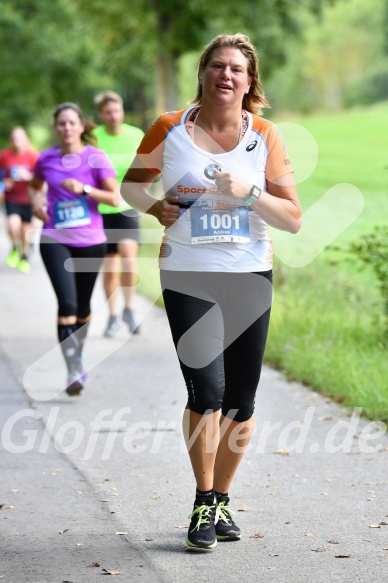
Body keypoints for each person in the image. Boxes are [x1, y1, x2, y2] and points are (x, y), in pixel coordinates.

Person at [121, 33, 302, 549]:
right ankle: (203, 501)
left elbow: (292, 220)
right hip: (188, 274)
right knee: (208, 391)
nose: (227, 75)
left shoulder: (265, 135)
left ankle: (222, 497)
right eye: (218, 66)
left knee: (242, 400)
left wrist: (250, 193)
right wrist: (154, 207)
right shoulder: (168, 127)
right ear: (202, 72)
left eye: (237, 70)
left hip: (248, 275)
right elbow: (132, 185)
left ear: (250, 82)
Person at [29, 102, 118, 396]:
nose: (66, 128)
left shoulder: (96, 158)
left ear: (81, 126)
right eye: (61, 123)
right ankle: (72, 369)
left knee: (82, 308)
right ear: (56, 128)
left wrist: (86, 190)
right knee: (66, 304)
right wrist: (37, 202)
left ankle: (78, 355)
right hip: (55, 239)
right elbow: (34, 185)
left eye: (71, 123)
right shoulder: (46, 158)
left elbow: (115, 199)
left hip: (90, 242)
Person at [93, 91, 145, 337]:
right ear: (101, 114)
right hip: (100, 210)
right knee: (110, 267)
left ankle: (129, 308)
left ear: (122, 110)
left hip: (127, 207)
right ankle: (113, 316)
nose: (113, 115)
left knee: (128, 259)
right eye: (107, 112)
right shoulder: (93, 138)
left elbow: (147, 169)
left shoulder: (136, 135)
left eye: (116, 110)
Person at [0, 127, 40, 273]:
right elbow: (1, 175)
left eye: (20, 137)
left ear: (26, 139)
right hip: (12, 198)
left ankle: (24, 256)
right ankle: (14, 248)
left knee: (25, 231)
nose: (17, 140)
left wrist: (28, 177)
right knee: (12, 226)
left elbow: (41, 178)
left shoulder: (34, 156)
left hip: (29, 199)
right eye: (14, 137)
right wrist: (4, 183)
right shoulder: (4, 156)